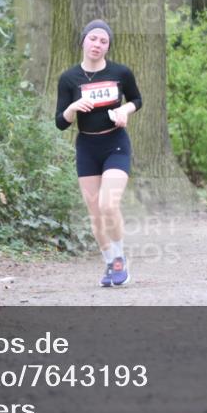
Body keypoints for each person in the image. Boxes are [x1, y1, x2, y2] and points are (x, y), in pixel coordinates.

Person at [55, 19, 142, 287]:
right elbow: (60, 121)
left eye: (103, 41)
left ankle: (120, 260)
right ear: (83, 41)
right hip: (87, 148)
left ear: (108, 47)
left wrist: (123, 111)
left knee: (108, 204)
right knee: (95, 214)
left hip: (115, 144)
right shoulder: (69, 78)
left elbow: (136, 100)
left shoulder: (121, 73)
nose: (97, 44)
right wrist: (73, 108)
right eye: (93, 38)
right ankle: (110, 261)